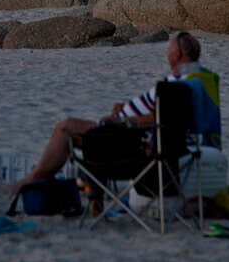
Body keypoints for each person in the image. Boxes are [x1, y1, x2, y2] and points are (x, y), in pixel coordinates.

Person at [14, 33, 206, 190]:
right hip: (135, 138)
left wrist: (124, 122)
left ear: (177, 53)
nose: (167, 53)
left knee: (65, 129)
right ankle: (36, 180)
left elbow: (161, 119)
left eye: (168, 49)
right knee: (70, 127)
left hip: (130, 143)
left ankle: (30, 182)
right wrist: (125, 109)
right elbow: (168, 116)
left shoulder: (175, 86)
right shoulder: (197, 80)